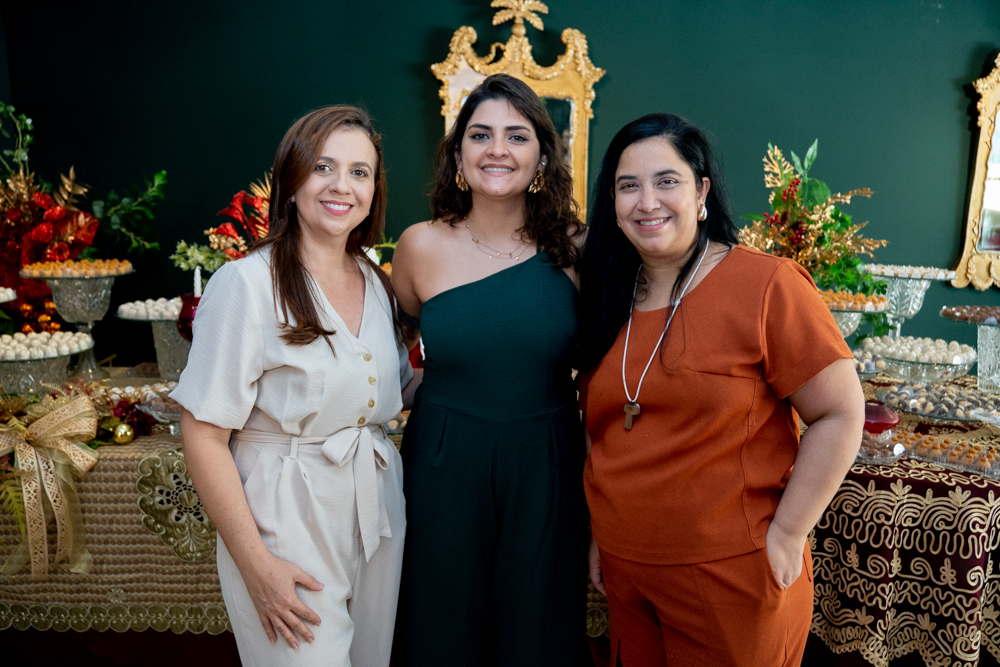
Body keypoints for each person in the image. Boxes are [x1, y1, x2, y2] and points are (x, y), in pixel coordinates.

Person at [576, 113, 865, 667]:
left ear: (702, 189)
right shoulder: (608, 297)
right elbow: (603, 429)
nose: (646, 201)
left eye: (667, 181)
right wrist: (600, 531)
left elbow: (839, 413)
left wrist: (787, 534)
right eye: (627, 185)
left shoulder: (765, 285)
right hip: (625, 573)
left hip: (731, 574)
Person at [171, 105, 417, 667]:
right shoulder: (246, 284)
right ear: (291, 177)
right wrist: (256, 566)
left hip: (375, 513)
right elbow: (203, 436)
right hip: (284, 522)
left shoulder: (376, 281)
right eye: (324, 167)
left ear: (375, 189)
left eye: (360, 172)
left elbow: (391, 394)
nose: (342, 186)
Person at [390, 73, 588, 666]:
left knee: (539, 630)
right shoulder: (419, 245)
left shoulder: (578, 248)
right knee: (441, 624)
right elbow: (388, 353)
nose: (497, 149)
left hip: (547, 458)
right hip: (443, 460)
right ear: (457, 154)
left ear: (544, 156)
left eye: (516, 136)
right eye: (480, 134)